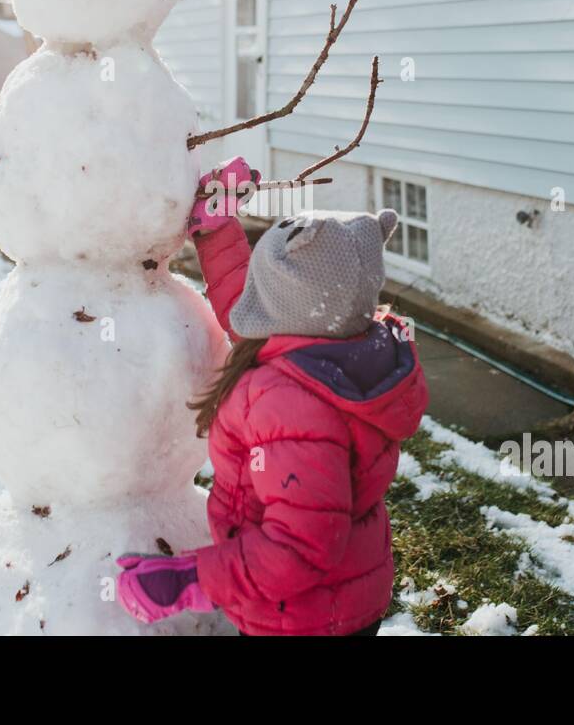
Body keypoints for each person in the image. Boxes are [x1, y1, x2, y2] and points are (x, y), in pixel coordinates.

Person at [117, 157, 428, 635]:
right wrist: (217, 226)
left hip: (301, 613)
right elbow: (253, 304)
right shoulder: (336, 339)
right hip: (344, 591)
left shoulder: (291, 403)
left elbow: (303, 545)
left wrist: (189, 581)